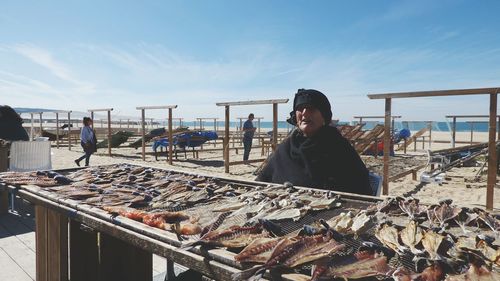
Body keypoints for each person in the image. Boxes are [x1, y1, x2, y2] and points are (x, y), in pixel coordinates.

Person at [256, 89, 372, 195]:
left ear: (324, 115)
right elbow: (262, 181)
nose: (305, 113)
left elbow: (360, 190)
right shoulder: (286, 148)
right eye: (300, 108)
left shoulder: (338, 147)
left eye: (311, 108)